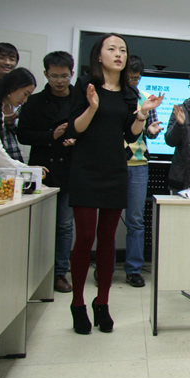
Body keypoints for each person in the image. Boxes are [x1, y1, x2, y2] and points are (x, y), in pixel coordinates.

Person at [66, 34, 163, 334]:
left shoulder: (129, 92)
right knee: (84, 238)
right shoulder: (85, 86)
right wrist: (92, 107)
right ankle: (78, 303)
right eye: (112, 49)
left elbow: (131, 134)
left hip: (115, 169)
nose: (119, 54)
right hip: (85, 168)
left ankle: (102, 302)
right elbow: (74, 129)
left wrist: (142, 114)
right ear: (99, 55)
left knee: (107, 239)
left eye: (123, 50)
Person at [17, 52, 76, 294]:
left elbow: (90, 132)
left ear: (71, 74)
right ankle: (34, 273)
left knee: (64, 225)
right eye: (54, 76)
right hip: (42, 170)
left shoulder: (81, 100)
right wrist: (51, 136)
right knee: (38, 224)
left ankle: (60, 272)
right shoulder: (34, 101)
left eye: (64, 76)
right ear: (45, 75)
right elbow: (23, 135)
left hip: (69, 169)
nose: (59, 81)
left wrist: (76, 140)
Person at [122, 56, 162, 288]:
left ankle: (134, 270)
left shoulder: (146, 98)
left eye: (136, 78)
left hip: (138, 164)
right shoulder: (113, 97)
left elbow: (149, 130)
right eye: (129, 78)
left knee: (136, 220)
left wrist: (153, 131)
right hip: (112, 164)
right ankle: (104, 267)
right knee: (107, 218)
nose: (133, 82)